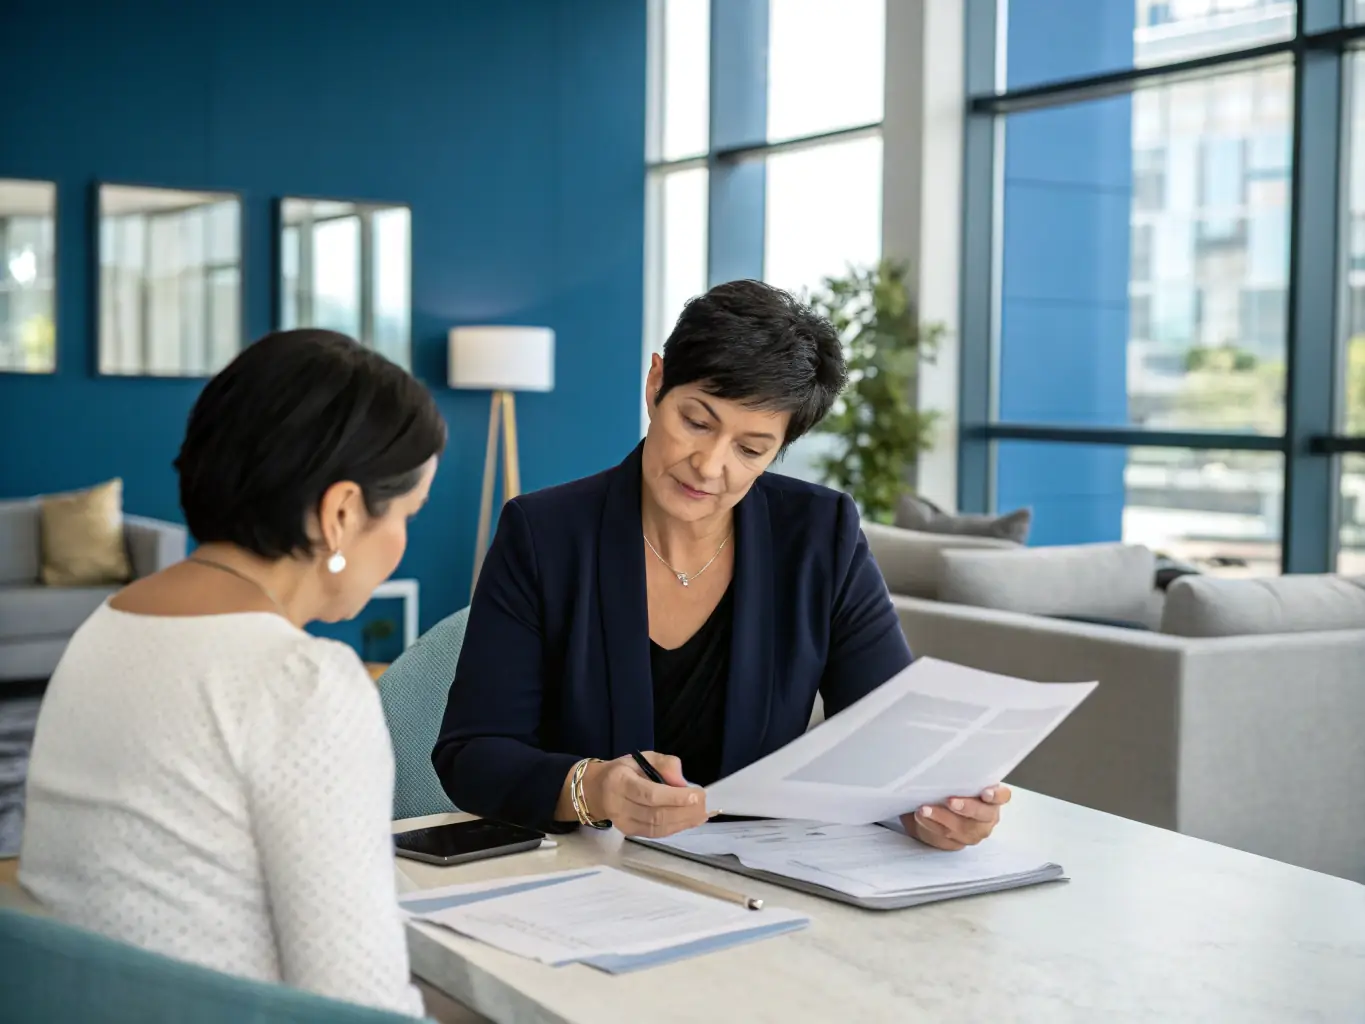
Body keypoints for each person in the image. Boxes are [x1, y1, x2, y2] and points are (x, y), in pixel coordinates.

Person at [434, 280, 1011, 847]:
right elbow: (474, 753)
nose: (709, 465)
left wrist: (928, 810)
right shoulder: (544, 534)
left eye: (750, 449)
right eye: (697, 421)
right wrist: (594, 789)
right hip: (584, 879)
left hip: (761, 883)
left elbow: (883, 738)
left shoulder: (820, 536)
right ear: (657, 382)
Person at [20, 329, 443, 1017]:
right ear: (341, 513)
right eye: (406, 515)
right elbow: (358, 1003)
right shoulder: (301, 682)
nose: (402, 542)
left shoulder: (109, 626)